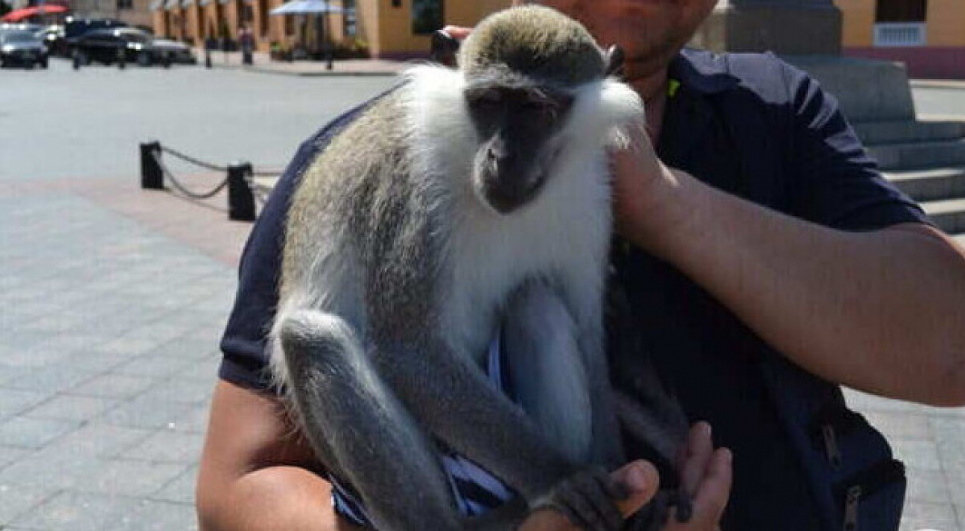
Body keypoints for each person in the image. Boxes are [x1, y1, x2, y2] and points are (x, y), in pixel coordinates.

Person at [196, 0, 965, 529]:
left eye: (532, 116)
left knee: (546, 313)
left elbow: (950, 345)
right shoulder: (395, 149)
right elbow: (395, 356)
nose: (502, 155)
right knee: (312, 337)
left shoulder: (773, 111)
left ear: (604, 84)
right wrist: (551, 489)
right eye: (492, 110)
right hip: (394, 441)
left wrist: (609, 496)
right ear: (452, 72)